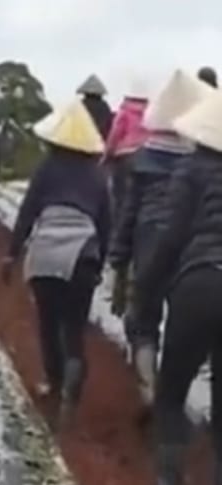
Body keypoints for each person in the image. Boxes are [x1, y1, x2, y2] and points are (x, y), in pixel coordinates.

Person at [127, 90, 222, 485]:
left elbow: (170, 238)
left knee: (170, 394)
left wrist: (142, 289)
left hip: (200, 283)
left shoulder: (191, 170)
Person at [1, 100, 110, 428]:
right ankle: (72, 389)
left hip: (47, 252)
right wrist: (99, 262)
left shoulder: (46, 169)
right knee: (73, 327)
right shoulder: (97, 176)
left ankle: (55, 381)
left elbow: (28, 212)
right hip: (83, 255)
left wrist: (12, 253)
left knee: (48, 323)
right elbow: (107, 224)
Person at [109, 70, 213, 413]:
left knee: (145, 319)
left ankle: (150, 389)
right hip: (191, 250)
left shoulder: (143, 158)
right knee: (183, 323)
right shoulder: (203, 161)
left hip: (149, 240)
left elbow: (127, 211)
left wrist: (119, 260)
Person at [105, 75, 152, 218]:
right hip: (145, 156)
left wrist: (107, 154)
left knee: (120, 196)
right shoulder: (150, 113)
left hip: (124, 157)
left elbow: (115, 135)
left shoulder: (124, 112)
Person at [77, 74, 114, 139]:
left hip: (81, 139)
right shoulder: (103, 106)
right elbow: (108, 125)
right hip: (99, 140)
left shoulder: (80, 104)